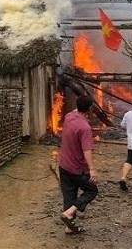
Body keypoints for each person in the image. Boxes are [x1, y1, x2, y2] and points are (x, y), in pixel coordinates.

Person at [58, 95, 98, 234]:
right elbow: (87, 150)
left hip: (64, 165)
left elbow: (78, 109)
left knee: (69, 194)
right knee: (92, 190)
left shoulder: (69, 116)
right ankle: (69, 213)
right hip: (77, 168)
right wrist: (92, 169)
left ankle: (69, 226)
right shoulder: (85, 127)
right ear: (89, 108)